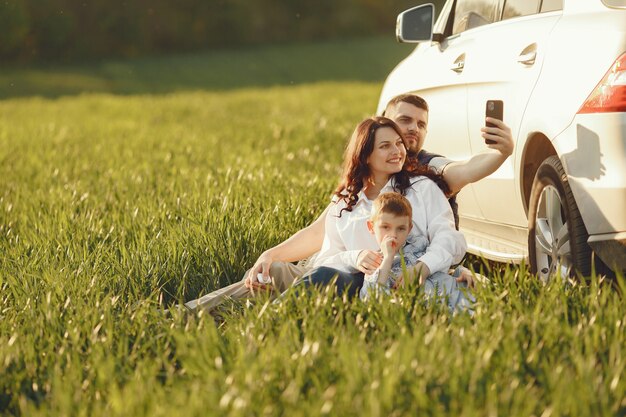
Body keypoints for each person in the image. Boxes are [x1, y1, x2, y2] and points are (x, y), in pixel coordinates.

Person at [184, 94, 512, 313]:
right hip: (343, 273)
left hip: (388, 283)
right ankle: (188, 316)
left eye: (418, 126)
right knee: (274, 273)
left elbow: (459, 197)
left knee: (316, 279)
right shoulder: (347, 198)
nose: (406, 138)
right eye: (395, 134)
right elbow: (322, 241)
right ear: (367, 150)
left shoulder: (425, 179)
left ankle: (272, 321)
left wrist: (501, 153)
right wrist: (269, 255)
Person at [358, 192, 473, 314]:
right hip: (434, 312)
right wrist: (387, 258)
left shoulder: (420, 243)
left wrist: (462, 272)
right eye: (385, 227)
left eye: (401, 228)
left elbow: (440, 266)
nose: (393, 235)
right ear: (371, 227)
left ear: (409, 229)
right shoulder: (376, 264)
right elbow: (372, 300)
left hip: (459, 295)